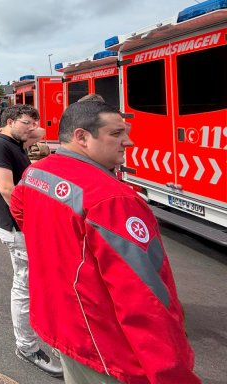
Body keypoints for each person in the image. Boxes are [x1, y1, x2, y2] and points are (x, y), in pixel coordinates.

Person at [11, 100, 201, 384]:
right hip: (107, 348)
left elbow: (19, 211)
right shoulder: (113, 200)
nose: (129, 141)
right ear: (82, 137)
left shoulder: (36, 172)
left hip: (63, 325)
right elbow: (143, 297)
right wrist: (172, 374)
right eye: (116, 134)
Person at [0, 104, 62, 377]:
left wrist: (28, 127)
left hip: (25, 227)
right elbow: (7, 189)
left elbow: (40, 132)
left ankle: (49, 340)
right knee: (25, 287)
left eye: (32, 123)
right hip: (19, 229)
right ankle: (27, 347)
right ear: (9, 121)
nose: (32, 129)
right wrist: (32, 223)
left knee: (37, 284)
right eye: (26, 123)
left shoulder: (14, 140)